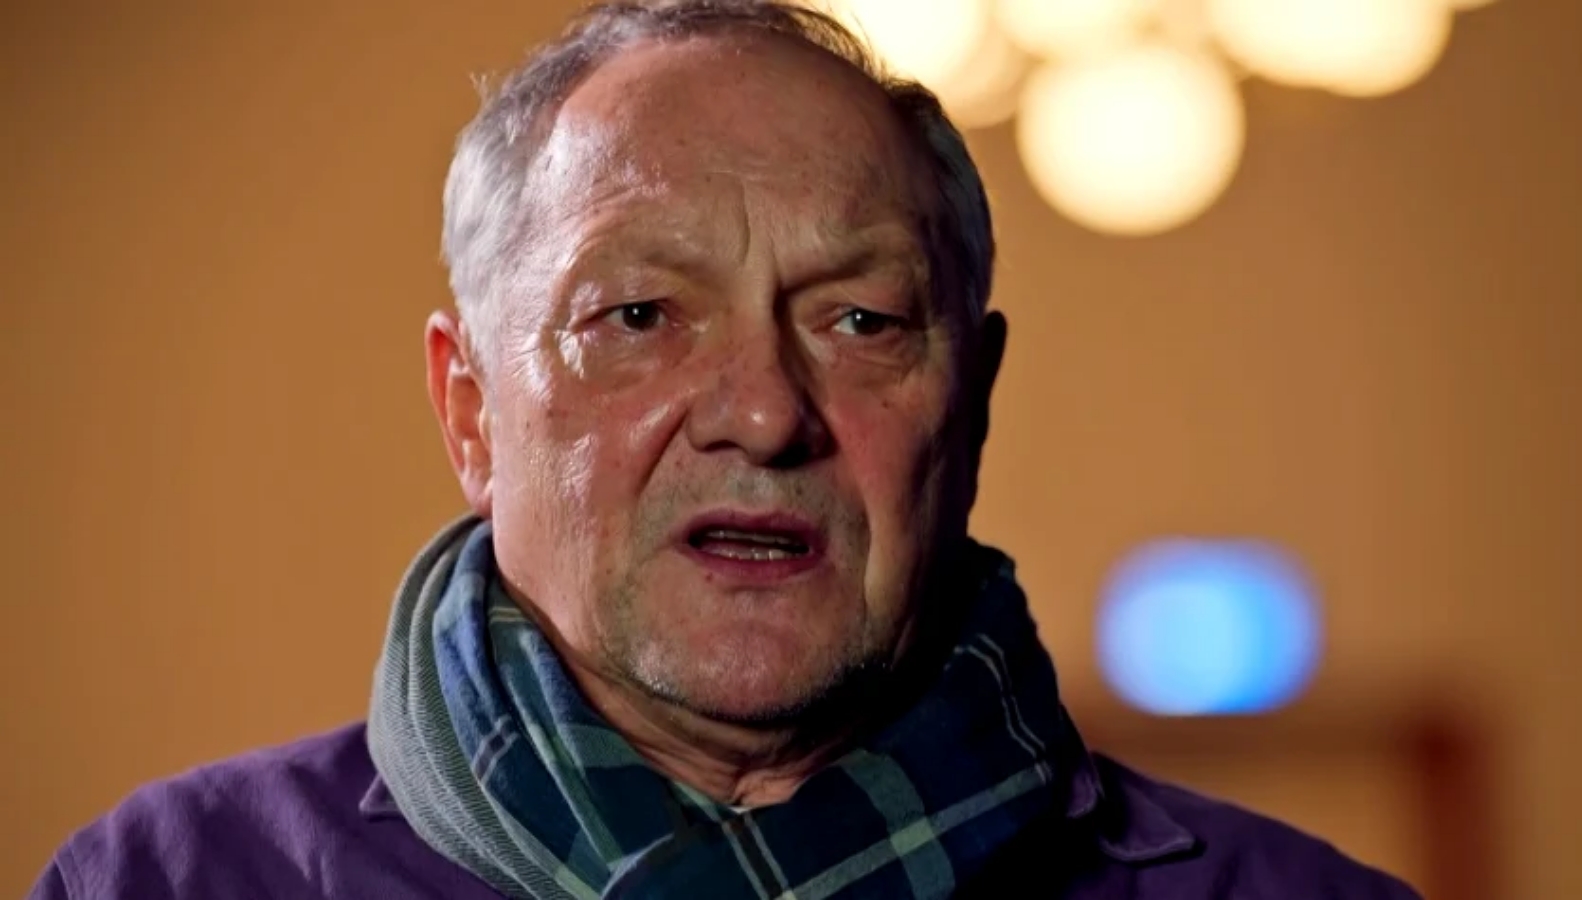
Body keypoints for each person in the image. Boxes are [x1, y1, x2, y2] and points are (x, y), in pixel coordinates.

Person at [29, 2, 1422, 898]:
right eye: (639, 315)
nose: (763, 413)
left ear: (974, 404)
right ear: (471, 412)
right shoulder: (164, 883)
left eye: (863, 321)